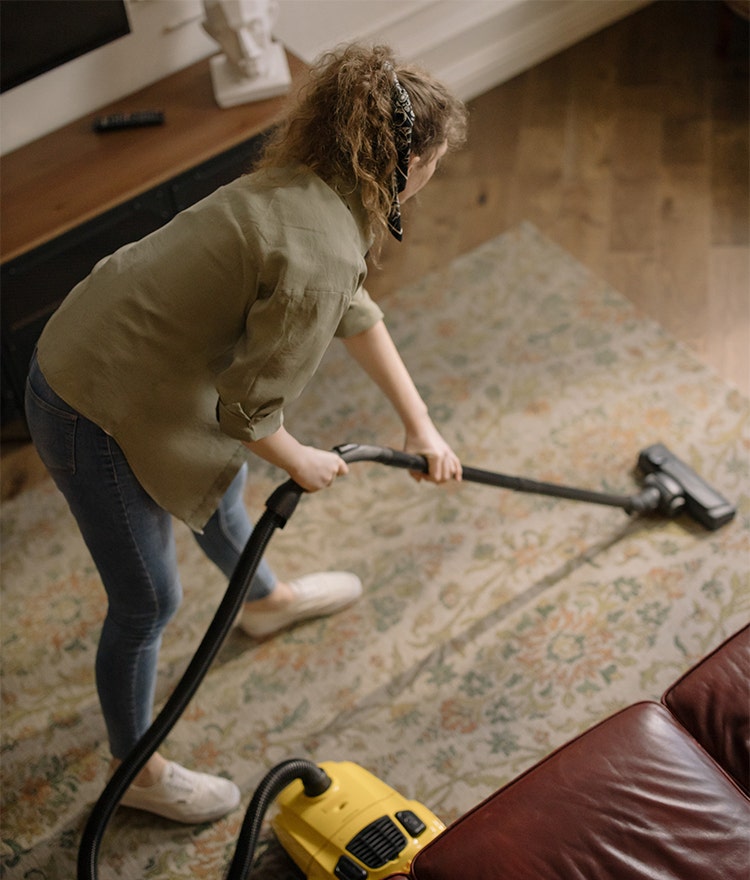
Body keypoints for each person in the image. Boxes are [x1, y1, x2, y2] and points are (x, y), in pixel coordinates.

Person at [24, 43, 467, 825]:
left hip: (136, 359)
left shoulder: (316, 190)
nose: (433, 173)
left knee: (224, 493)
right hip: (91, 403)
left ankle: (260, 602)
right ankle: (140, 769)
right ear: (409, 161)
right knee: (146, 602)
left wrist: (419, 422)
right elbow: (248, 413)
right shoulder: (321, 245)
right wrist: (303, 461)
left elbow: (354, 313)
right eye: (433, 159)